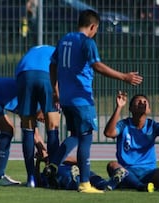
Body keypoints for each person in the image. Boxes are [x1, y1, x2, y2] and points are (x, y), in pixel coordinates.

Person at [45, 9, 143, 193]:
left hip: (65, 99)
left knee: (75, 135)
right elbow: (97, 66)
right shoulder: (87, 42)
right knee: (86, 138)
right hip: (82, 100)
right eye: (96, 29)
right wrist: (124, 77)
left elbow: (52, 64)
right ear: (93, 26)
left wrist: (55, 89)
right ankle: (84, 183)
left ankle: (54, 164)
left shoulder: (65, 39)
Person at [103, 91, 159, 192]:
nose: (142, 103)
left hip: (150, 174)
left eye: (144, 101)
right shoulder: (124, 125)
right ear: (130, 108)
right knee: (112, 165)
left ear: (149, 109)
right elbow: (109, 133)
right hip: (126, 172)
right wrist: (119, 107)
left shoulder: (153, 126)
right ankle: (140, 186)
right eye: (138, 102)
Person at [15, 45, 61, 188]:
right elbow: (60, 75)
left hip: (24, 75)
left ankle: (31, 179)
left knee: (27, 127)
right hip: (47, 75)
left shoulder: (29, 54)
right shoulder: (56, 51)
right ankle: (52, 176)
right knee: (52, 126)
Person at [35, 155, 125, 191]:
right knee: (77, 181)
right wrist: (38, 162)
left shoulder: (60, 163)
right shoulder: (46, 176)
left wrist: (55, 158)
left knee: (98, 181)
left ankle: (113, 181)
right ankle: (111, 183)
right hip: (70, 176)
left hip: (80, 172)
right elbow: (38, 180)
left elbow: (79, 161)